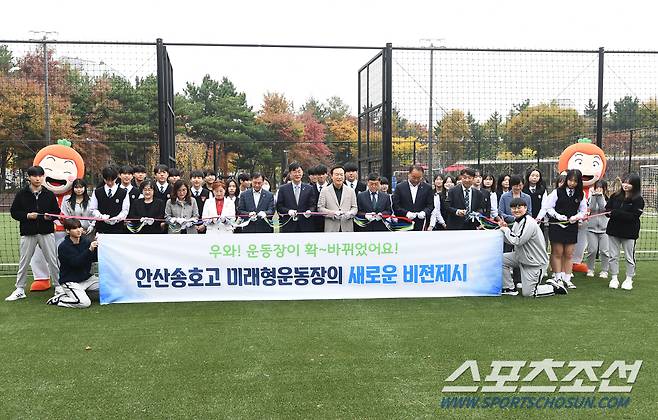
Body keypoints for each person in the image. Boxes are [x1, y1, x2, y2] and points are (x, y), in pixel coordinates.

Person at [6, 166, 63, 301]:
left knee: (53, 260)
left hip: (46, 232)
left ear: (43, 177)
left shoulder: (49, 194)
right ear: (29, 177)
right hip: (28, 233)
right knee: (24, 261)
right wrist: (27, 215)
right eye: (34, 176)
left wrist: (51, 217)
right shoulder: (21, 194)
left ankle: (58, 286)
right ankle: (20, 288)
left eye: (40, 176)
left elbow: (56, 212)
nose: (38, 178)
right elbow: (14, 212)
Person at [499, 198, 568, 297]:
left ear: (525, 208)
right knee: (500, 259)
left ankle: (552, 287)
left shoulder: (529, 222)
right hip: (521, 257)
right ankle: (509, 288)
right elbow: (511, 240)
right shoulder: (517, 222)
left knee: (529, 293)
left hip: (535, 262)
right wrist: (504, 231)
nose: (516, 210)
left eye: (519, 208)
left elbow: (518, 241)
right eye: (513, 208)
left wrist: (506, 230)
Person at [545, 169, 587, 289]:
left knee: (569, 254)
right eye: (570, 180)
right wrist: (557, 216)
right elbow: (549, 207)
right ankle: (557, 277)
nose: (572, 183)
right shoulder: (557, 192)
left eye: (575, 181)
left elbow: (583, 211)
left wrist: (577, 217)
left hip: (571, 226)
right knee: (557, 252)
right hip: (557, 226)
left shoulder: (580, 195)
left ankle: (567, 279)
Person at [46, 218, 99, 308]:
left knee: (108, 286)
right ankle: (60, 299)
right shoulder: (63, 247)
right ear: (67, 231)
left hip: (86, 279)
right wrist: (90, 249)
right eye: (75, 228)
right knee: (85, 303)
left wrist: (97, 247)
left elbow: (93, 259)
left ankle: (78, 293)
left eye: (79, 227)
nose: (78, 230)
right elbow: (76, 263)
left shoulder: (85, 242)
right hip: (70, 281)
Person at [605, 174, 644, 290]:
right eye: (624, 182)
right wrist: (608, 213)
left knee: (629, 257)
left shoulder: (638, 200)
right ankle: (614, 278)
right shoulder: (615, 196)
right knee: (613, 256)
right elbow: (608, 209)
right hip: (613, 231)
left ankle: (629, 279)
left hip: (629, 233)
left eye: (629, 183)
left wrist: (616, 213)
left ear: (635, 185)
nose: (625, 185)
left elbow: (634, 216)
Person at [276, 162, 317, 233]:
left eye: (299, 172)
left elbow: (313, 205)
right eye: (294, 172)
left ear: (302, 173)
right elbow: (279, 206)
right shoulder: (283, 189)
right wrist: (288, 211)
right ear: (290, 174)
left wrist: (310, 211)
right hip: (289, 225)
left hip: (305, 225)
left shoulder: (309, 188)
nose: (297, 174)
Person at [89, 166, 130, 234]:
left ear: (116, 178)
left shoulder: (123, 192)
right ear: (104, 179)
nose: (110, 183)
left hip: (117, 228)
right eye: (107, 180)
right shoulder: (97, 192)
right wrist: (101, 216)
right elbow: (93, 209)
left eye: (112, 180)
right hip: (101, 228)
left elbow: (125, 210)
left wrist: (117, 218)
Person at [392, 165, 434, 231]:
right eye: (414, 177)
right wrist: (406, 213)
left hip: (421, 223)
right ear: (409, 174)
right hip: (404, 222)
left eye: (419, 178)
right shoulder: (400, 187)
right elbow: (396, 206)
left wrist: (424, 212)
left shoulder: (427, 188)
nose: (416, 180)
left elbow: (430, 205)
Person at [318, 165, 358, 232]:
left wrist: (350, 213)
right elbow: (320, 208)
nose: (339, 177)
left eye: (341, 175)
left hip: (347, 227)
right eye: (337, 175)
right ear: (331, 176)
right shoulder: (324, 191)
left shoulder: (351, 191)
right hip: (331, 228)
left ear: (344, 176)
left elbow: (355, 208)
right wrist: (333, 213)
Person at [586, 179, 610, 279]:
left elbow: (603, 208)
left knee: (604, 251)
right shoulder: (591, 197)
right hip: (591, 229)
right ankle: (590, 269)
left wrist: (600, 197)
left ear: (604, 189)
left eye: (601, 188)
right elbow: (591, 208)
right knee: (592, 250)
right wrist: (594, 197)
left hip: (605, 230)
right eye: (597, 188)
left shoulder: (608, 200)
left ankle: (605, 270)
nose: (598, 190)